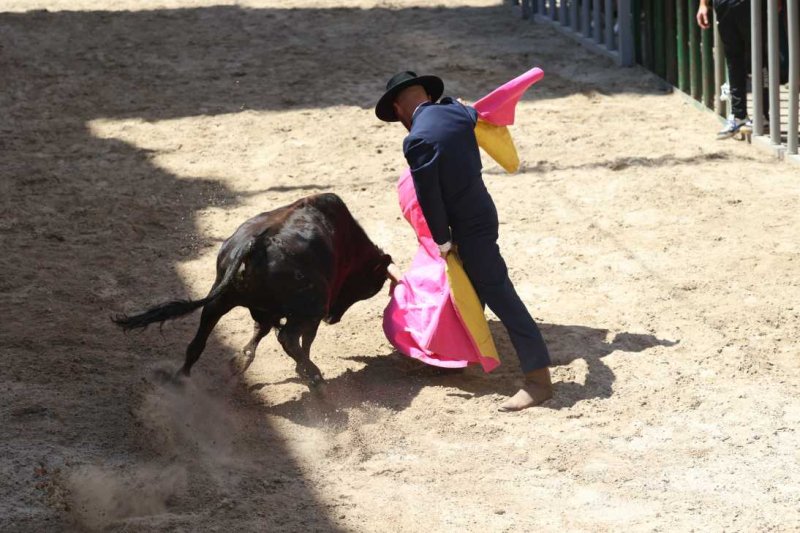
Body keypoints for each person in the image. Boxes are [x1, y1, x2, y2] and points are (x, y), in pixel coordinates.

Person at [376, 71, 553, 411]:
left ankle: (538, 381)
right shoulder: (458, 111)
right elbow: (475, 113)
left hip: (465, 232)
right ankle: (461, 355)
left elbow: (430, 198)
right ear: (426, 95)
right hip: (484, 216)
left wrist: (442, 241)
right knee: (469, 289)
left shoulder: (417, 140)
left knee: (501, 296)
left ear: (399, 109)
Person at [697, 0, 769, 139]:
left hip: (751, 4)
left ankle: (762, 116)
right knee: (733, 58)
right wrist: (703, 4)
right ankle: (738, 115)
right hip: (723, 5)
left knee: (759, 56)